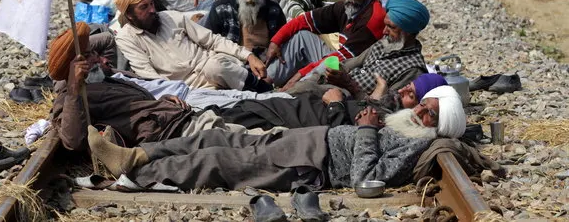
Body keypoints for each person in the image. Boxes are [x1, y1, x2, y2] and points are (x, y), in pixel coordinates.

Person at [86, 86, 466, 191]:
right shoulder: (407, 125)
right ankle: (134, 154)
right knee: (212, 138)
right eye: (424, 106)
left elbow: (364, 177)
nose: (420, 112)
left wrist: (366, 129)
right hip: (305, 140)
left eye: (430, 113)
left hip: (308, 165)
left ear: (438, 126)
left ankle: (132, 177)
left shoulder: (417, 145)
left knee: (218, 161)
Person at [49, 25, 285, 153]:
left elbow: (107, 40)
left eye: (93, 53)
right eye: (88, 55)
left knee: (254, 109)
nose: (98, 58)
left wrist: (162, 99)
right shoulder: (73, 95)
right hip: (173, 127)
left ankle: (294, 116)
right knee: (251, 135)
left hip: (179, 110)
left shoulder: (104, 76)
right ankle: (300, 139)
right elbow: (72, 141)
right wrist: (71, 82)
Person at [114, 0, 273, 92]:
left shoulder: (171, 16)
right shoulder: (126, 37)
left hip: (216, 71)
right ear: (129, 14)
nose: (151, 10)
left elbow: (212, 40)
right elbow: (147, 74)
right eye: (144, 7)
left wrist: (249, 56)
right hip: (186, 88)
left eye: (152, 4)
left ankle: (260, 86)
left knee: (215, 67)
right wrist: (170, 94)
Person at [265, 0, 386, 87]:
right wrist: (275, 41)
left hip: (354, 70)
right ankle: (264, 81)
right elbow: (303, 20)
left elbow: (343, 58)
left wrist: (301, 74)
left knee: (306, 81)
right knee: (301, 36)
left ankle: (288, 93)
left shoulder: (374, 19)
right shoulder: (344, 6)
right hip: (339, 57)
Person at [216, 73, 448, 131]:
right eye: (407, 86)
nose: (403, 92)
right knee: (235, 107)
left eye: (412, 96)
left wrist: (336, 104)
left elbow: (342, 141)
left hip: (298, 120)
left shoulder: (394, 127)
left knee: (230, 116)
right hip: (299, 108)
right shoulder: (394, 111)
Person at [323, 0, 432, 96]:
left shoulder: (412, 70)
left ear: (408, 31)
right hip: (333, 87)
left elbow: (384, 107)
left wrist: (349, 85)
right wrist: (331, 72)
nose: (384, 32)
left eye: (391, 27)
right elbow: (350, 63)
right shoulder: (385, 43)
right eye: (385, 25)